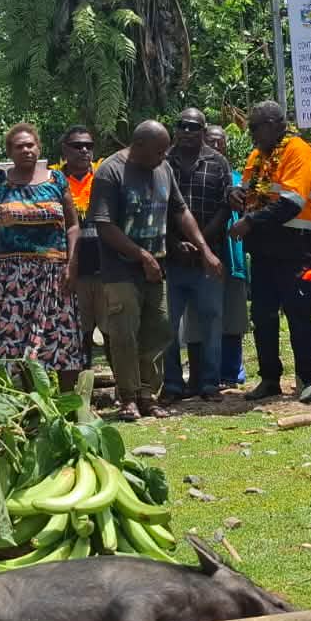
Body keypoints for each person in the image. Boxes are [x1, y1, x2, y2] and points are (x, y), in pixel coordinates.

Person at [92, 121, 221, 419]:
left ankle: (148, 394)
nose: (164, 156)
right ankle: (128, 397)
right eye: (159, 151)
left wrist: (205, 250)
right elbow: (104, 225)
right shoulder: (111, 172)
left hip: (156, 267)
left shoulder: (163, 169)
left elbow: (180, 211)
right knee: (125, 333)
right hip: (120, 269)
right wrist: (141, 256)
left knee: (160, 328)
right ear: (138, 147)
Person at [229, 101, 311, 403]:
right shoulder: (259, 155)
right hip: (264, 250)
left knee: (299, 314)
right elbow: (248, 188)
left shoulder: (299, 151)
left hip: (296, 247)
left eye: (255, 127)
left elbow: (291, 203)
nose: (252, 134)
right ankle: (270, 378)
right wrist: (235, 194)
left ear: (274, 124)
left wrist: (250, 221)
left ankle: (310, 380)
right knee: (263, 315)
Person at [0, 123, 85, 374]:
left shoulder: (57, 180)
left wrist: (71, 265)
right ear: (10, 152)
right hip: (13, 277)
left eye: (30, 145)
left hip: (54, 274)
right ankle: (21, 404)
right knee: (12, 340)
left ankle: (68, 405)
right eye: (19, 146)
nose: (26, 150)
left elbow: (73, 226)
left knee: (60, 339)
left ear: (39, 148)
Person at [163, 109, 232, 400]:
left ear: (203, 130)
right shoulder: (162, 161)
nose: (187, 131)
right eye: (182, 125)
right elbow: (157, 207)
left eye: (193, 126)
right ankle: (172, 384)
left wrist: (200, 243)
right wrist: (176, 242)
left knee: (211, 320)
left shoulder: (218, 162)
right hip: (171, 255)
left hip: (209, 257)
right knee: (168, 323)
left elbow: (226, 204)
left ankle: (209, 383)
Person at [201, 123, 249, 387]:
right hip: (206, 255)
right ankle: (208, 371)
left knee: (233, 316)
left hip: (234, 256)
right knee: (208, 315)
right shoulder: (197, 176)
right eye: (211, 141)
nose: (216, 146)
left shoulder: (240, 178)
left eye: (220, 142)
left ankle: (231, 371)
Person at [57, 126, 103, 370]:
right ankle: (84, 389)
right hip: (73, 273)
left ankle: (122, 390)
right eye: (77, 146)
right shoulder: (54, 182)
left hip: (106, 270)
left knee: (113, 334)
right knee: (78, 336)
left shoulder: (105, 177)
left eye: (89, 145)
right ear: (65, 150)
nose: (84, 150)